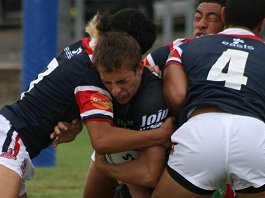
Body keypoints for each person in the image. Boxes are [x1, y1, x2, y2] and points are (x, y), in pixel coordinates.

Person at [0, 8, 174, 198]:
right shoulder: (92, 73)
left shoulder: (83, 48)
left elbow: (57, 95)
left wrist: (72, 120)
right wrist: (159, 135)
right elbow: (102, 140)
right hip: (11, 139)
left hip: (15, 139)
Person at [152, 0, 265, 197]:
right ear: (262, 23)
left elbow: (177, 97)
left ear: (224, 15)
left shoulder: (186, 48)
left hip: (200, 131)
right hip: (252, 135)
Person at [143, 1, 235, 197]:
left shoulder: (243, 54)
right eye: (198, 17)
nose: (201, 24)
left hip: (226, 141)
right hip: (179, 141)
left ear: (228, 23)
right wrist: (147, 75)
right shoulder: (180, 47)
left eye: (212, 18)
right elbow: (133, 72)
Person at [80, 30, 169, 198]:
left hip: (161, 163)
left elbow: (150, 174)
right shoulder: (92, 82)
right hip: (122, 150)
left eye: (122, 82)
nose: (115, 91)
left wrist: (105, 168)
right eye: (108, 83)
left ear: (140, 68)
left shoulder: (152, 99)